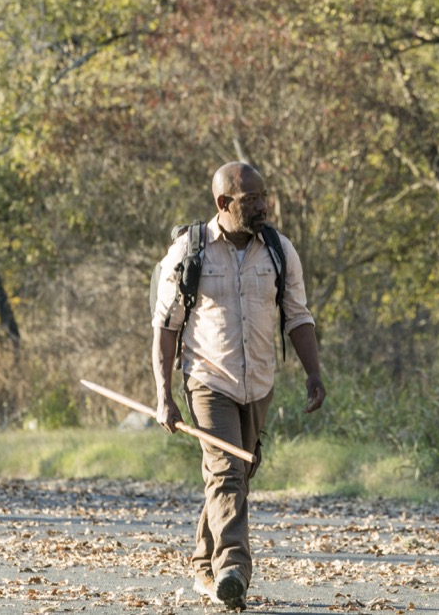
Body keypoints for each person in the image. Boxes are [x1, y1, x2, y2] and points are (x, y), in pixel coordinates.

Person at [151, 161, 326, 611]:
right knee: (227, 469)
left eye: (264, 196)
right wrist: (163, 395)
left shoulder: (279, 251)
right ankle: (234, 569)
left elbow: (298, 314)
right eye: (251, 200)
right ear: (223, 203)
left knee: (234, 478)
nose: (262, 206)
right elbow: (166, 327)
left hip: (260, 381)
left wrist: (313, 371)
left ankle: (203, 566)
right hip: (208, 380)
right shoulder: (190, 252)